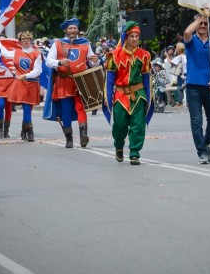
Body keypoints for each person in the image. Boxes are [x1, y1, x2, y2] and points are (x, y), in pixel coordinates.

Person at [103, 21, 153, 165]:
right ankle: (119, 145)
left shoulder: (144, 55)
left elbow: (146, 78)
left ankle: (134, 152)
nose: (135, 39)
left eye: (137, 36)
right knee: (119, 124)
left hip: (138, 94)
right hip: (120, 95)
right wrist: (107, 97)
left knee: (138, 124)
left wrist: (148, 99)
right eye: (132, 36)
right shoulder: (114, 55)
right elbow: (110, 79)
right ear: (126, 36)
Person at [44, 18, 99, 148]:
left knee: (81, 107)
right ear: (66, 30)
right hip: (64, 80)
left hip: (81, 81)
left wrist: (95, 60)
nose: (73, 30)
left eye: (75, 28)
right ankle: (69, 138)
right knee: (66, 111)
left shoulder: (85, 43)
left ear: (77, 29)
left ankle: (83, 135)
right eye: (70, 28)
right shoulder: (57, 44)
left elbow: (91, 62)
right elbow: (48, 61)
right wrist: (59, 62)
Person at [183, 10, 210, 164]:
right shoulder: (191, 40)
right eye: (200, 23)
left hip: (209, 87)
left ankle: (207, 142)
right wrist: (202, 16)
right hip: (193, 86)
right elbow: (187, 31)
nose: (203, 26)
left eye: (206, 24)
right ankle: (202, 152)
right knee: (196, 120)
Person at [0, 31, 42, 141]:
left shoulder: (36, 54)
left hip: (32, 83)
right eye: (23, 40)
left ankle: (24, 129)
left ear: (30, 40)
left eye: (27, 39)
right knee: (26, 108)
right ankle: (30, 132)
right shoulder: (16, 52)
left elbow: (38, 70)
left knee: (29, 108)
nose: (25, 41)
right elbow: (4, 52)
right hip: (21, 84)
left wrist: (26, 75)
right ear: (20, 42)